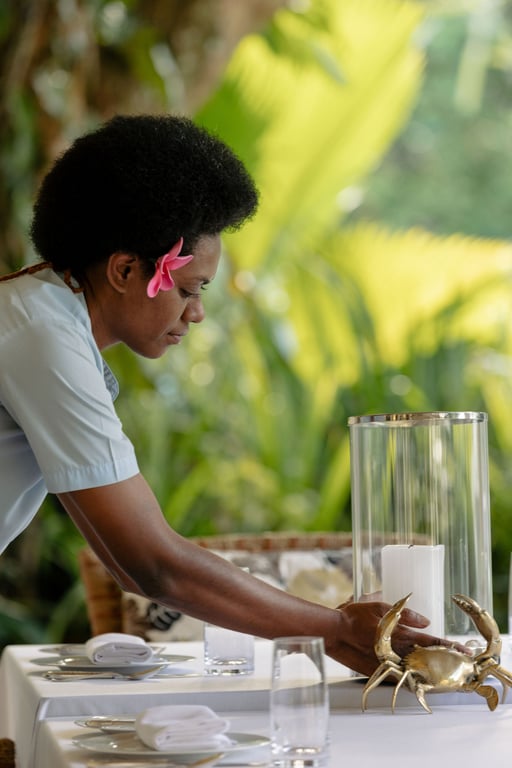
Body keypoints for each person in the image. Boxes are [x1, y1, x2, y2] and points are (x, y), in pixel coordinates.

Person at [0, 114, 452, 676]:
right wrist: (334, 629)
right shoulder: (42, 336)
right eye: (187, 288)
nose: (197, 312)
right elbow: (152, 564)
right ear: (123, 269)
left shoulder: (37, 312)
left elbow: (132, 566)